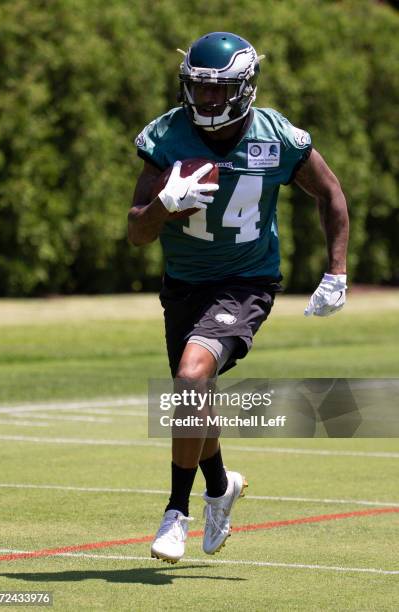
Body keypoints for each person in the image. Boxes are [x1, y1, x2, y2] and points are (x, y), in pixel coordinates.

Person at [128, 32, 349, 563]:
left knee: (189, 375)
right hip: (183, 285)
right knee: (193, 397)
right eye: (198, 88)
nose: (205, 100)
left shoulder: (278, 137)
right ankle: (221, 484)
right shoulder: (167, 135)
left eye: (217, 89)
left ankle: (176, 513)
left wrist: (336, 272)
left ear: (244, 87)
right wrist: (160, 206)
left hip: (246, 282)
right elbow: (136, 232)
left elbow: (332, 195)